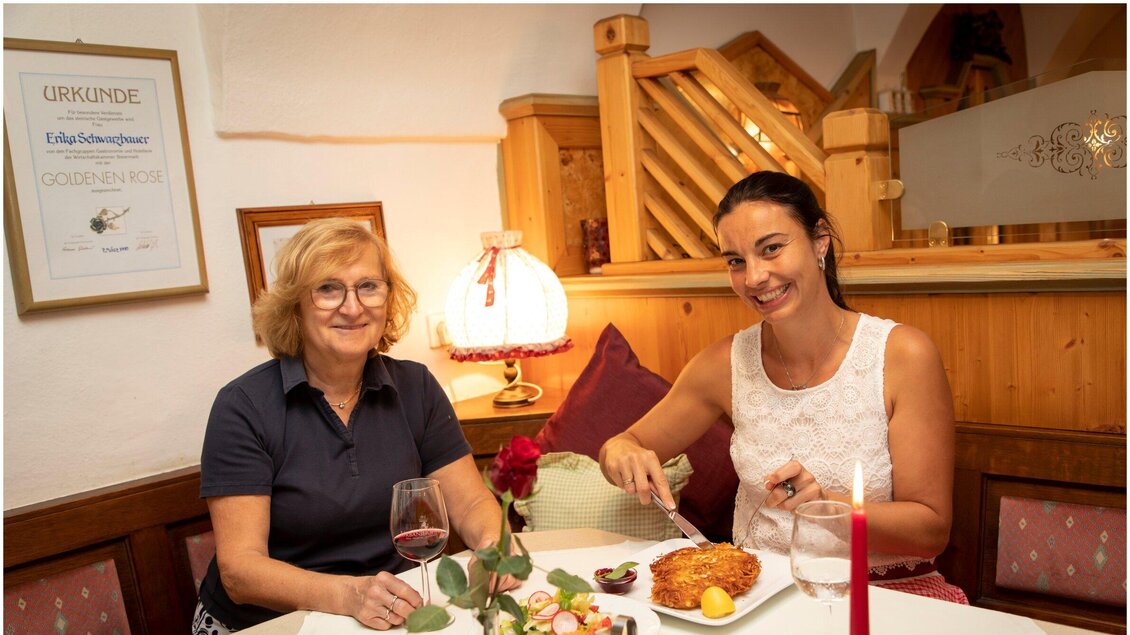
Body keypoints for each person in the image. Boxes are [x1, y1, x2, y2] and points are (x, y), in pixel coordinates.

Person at [598, 171, 967, 602]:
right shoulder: (724, 364)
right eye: (736, 261)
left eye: (771, 248)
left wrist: (829, 507)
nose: (754, 277)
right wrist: (620, 450)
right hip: (756, 599)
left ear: (820, 242)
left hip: (885, 597)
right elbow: (623, 445)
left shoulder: (902, 355)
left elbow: (930, 530)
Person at [196, 219, 516, 633]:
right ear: (295, 304)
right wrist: (349, 595)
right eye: (328, 289)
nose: (352, 307)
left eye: (368, 286)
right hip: (272, 623)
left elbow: (471, 505)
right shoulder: (243, 407)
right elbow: (241, 571)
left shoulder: (416, 386)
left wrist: (492, 546)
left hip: (389, 614)